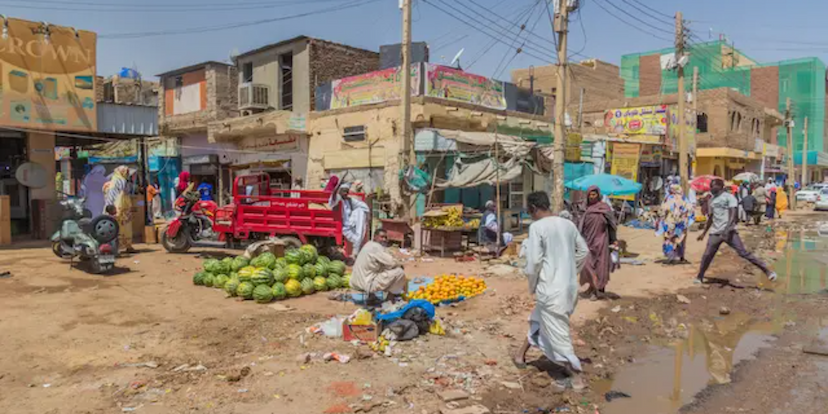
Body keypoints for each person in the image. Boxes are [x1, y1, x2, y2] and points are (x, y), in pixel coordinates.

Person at [514, 192, 589, 390]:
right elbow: (583, 251)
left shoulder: (537, 227)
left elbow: (535, 262)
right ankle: (520, 356)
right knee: (538, 319)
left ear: (532, 209)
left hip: (550, 289)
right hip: (568, 287)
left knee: (558, 333)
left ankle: (575, 376)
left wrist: (532, 282)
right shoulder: (568, 224)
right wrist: (571, 271)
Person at [696, 179, 777, 284]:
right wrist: (703, 233)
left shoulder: (729, 198)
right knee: (707, 255)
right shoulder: (711, 200)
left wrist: (727, 229)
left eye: (713, 186)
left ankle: (767, 271)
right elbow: (711, 218)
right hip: (715, 232)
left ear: (720, 186)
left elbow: (733, 214)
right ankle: (699, 276)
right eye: (710, 186)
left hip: (729, 232)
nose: (711, 188)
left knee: (743, 253)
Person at [579, 186, 618, 300]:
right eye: (590, 195)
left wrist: (613, 239)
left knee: (600, 266)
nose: (592, 197)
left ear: (598, 195)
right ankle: (591, 287)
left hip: (601, 240)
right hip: (587, 241)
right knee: (587, 264)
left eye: (594, 194)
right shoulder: (585, 208)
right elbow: (580, 225)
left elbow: (612, 225)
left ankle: (598, 290)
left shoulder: (604, 208)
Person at [349, 229, 406, 302]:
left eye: (385, 237)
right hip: (366, 284)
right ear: (375, 237)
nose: (384, 239)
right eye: (381, 237)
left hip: (356, 283)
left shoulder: (368, 244)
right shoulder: (376, 247)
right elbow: (392, 262)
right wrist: (400, 265)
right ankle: (392, 297)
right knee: (399, 272)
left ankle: (373, 295)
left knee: (383, 269)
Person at [656, 185, 695, 264]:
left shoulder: (668, 199)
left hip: (669, 223)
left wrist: (662, 220)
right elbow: (690, 210)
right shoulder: (684, 199)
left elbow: (662, 211)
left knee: (669, 240)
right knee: (681, 240)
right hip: (681, 224)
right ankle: (681, 257)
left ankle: (671, 257)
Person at [104, 166, 136, 254]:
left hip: (110, 206)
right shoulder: (122, 181)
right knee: (125, 227)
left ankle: (114, 247)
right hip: (121, 207)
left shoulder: (112, 180)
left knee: (112, 227)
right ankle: (125, 245)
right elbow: (123, 194)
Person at [332, 183, 370, 257]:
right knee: (356, 238)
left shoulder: (349, 200)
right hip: (343, 226)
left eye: (347, 191)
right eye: (343, 191)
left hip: (350, 224)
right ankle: (354, 253)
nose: (345, 193)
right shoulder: (337, 200)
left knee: (360, 212)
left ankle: (354, 253)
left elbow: (364, 207)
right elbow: (333, 198)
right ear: (339, 192)